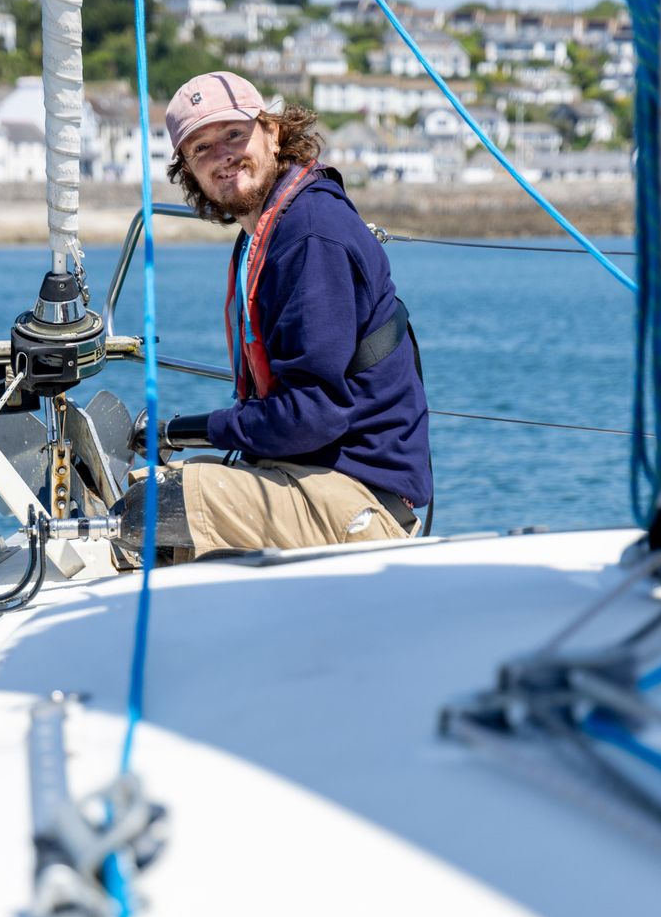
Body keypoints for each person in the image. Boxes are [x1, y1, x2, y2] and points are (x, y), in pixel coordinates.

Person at [114, 70, 431, 559]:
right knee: (157, 485)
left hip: (360, 502)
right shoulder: (269, 230)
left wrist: (184, 430)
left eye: (234, 134)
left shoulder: (308, 236)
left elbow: (311, 416)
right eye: (200, 149)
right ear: (188, 171)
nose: (222, 155)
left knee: (153, 505)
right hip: (316, 478)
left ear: (274, 131)